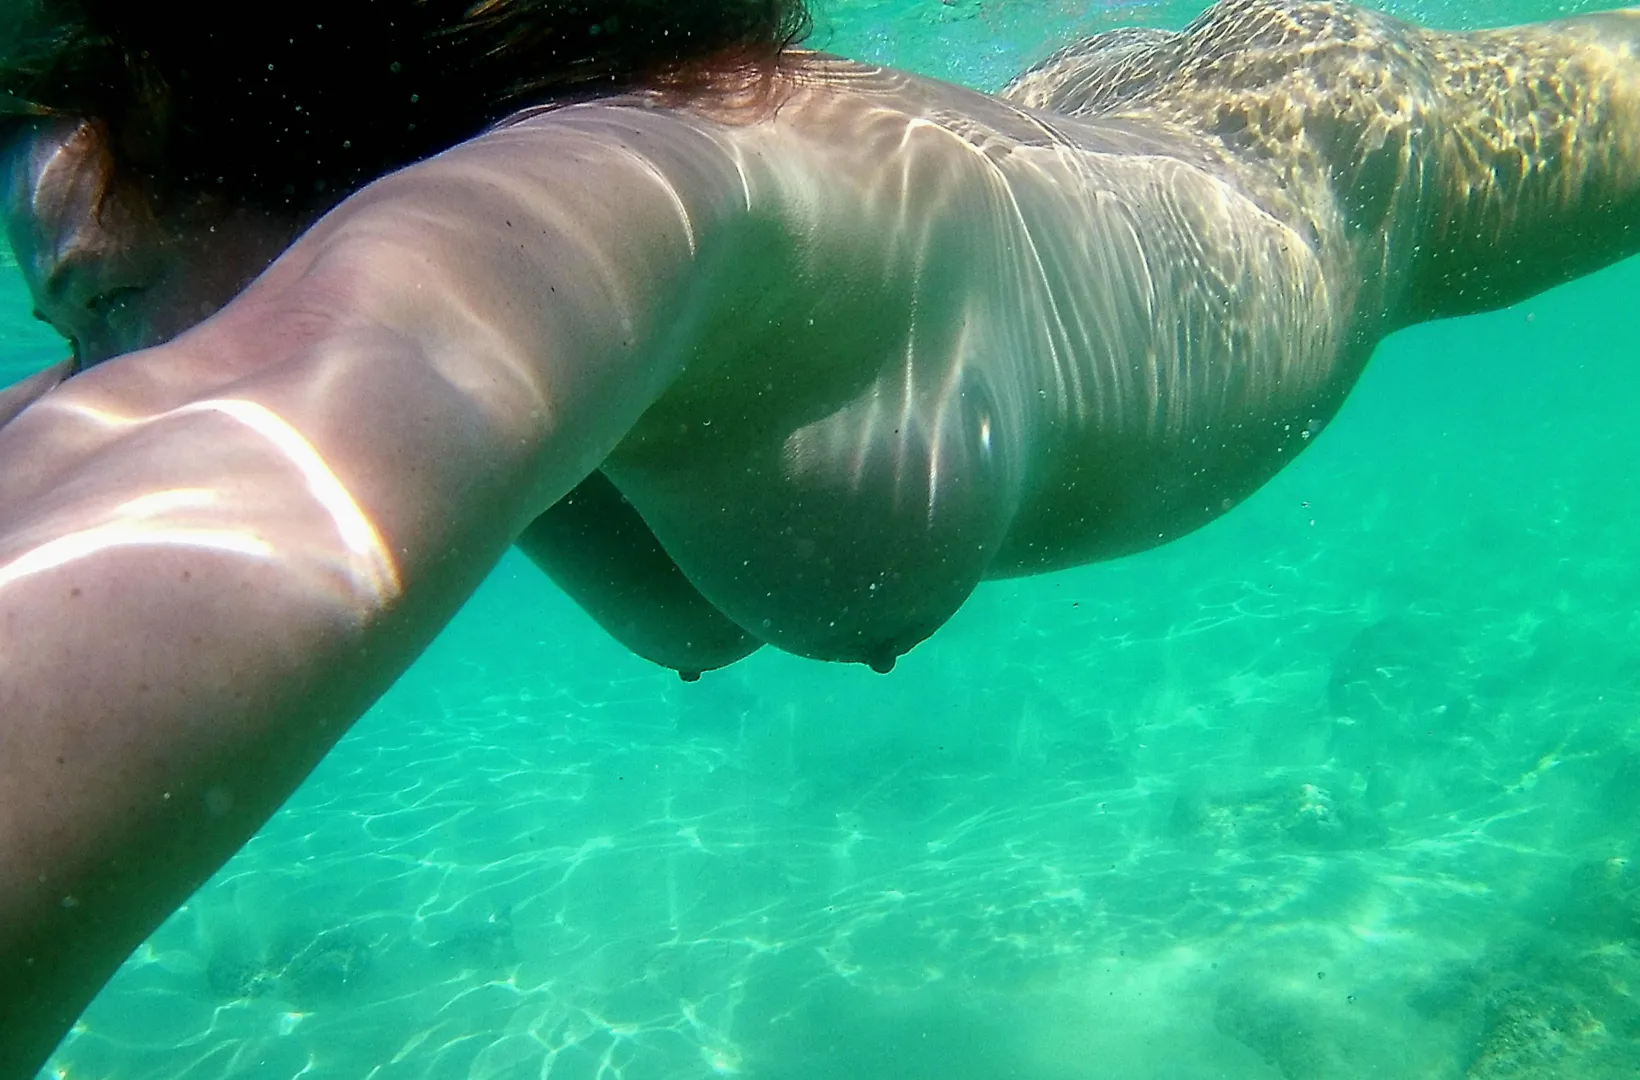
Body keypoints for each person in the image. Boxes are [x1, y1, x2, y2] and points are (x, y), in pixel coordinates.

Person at [2, 0, 1638, 1071]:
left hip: (1318, 167)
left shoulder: (606, 196)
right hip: (1104, 114)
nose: (99, 371)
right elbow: (159, 419)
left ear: (278, 147)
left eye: (102, 302)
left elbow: (288, 392)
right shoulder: (566, 274)